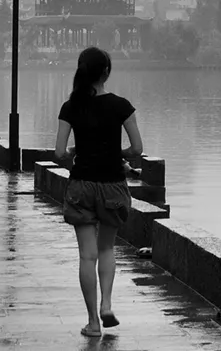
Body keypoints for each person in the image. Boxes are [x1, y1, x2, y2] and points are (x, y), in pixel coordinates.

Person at [54, 46, 143, 338]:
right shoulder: (121, 105)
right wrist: (116, 155)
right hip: (113, 186)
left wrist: (74, 158)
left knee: (86, 255)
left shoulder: (71, 107)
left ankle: (93, 322)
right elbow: (137, 150)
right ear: (107, 72)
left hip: (82, 185)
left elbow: (58, 153)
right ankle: (107, 304)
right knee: (107, 248)